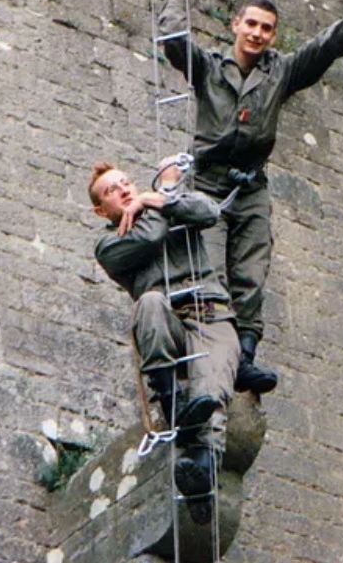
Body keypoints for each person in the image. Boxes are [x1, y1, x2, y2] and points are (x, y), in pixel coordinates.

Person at [158, 0, 343, 395]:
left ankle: (245, 358)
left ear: (273, 35)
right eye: (250, 24)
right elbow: (176, 45)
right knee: (210, 273)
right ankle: (215, 357)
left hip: (251, 186)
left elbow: (328, 47)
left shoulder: (281, 72)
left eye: (266, 28)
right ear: (236, 25)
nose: (256, 33)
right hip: (208, 184)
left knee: (252, 274)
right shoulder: (210, 68)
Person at [89, 156, 241, 523]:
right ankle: (172, 400)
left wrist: (164, 197)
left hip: (211, 314)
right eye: (112, 190)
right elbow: (151, 235)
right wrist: (163, 192)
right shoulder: (110, 246)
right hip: (168, 322)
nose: (124, 189)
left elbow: (207, 212)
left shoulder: (164, 205)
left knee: (210, 393)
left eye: (126, 182)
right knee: (151, 303)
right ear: (100, 210)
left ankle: (202, 472)